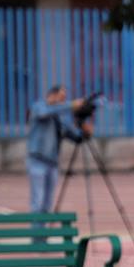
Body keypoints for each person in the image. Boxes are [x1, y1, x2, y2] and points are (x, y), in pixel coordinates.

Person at [26, 85, 91, 213]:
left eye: (65, 99)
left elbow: (76, 137)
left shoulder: (60, 119)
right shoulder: (39, 107)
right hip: (38, 160)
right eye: (62, 98)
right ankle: (37, 233)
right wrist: (71, 105)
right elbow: (44, 113)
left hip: (53, 163)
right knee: (37, 202)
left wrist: (84, 127)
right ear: (52, 95)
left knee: (47, 204)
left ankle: (42, 233)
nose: (63, 102)